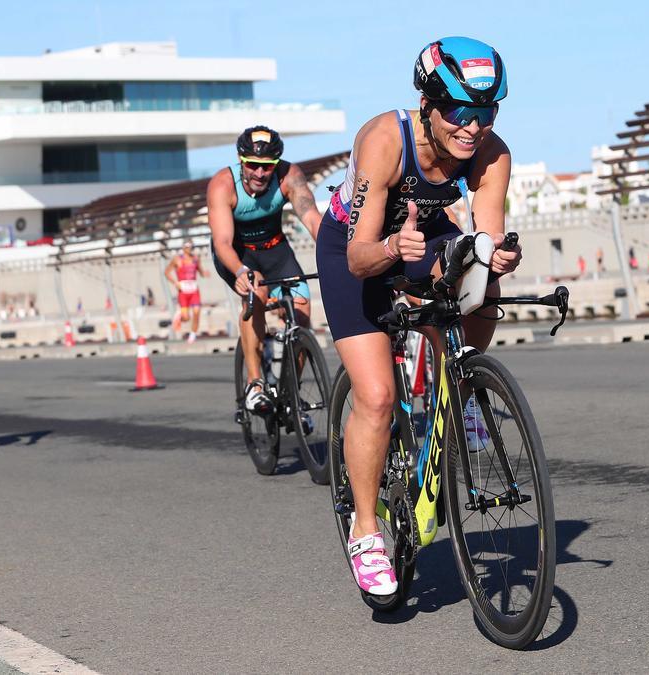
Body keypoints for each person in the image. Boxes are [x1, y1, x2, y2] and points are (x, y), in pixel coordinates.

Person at [315, 37, 521, 596]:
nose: (472, 127)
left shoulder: (491, 151)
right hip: (354, 251)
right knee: (377, 397)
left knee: (484, 277)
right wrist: (390, 252)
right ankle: (365, 532)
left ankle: (463, 386)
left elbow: (486, 233)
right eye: (459, 111)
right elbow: (361, 256)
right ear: (427, 105)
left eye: (485, 112)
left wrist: (499, 252)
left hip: (422, 239)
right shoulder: (385, 138)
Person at [207, 125, 323, 410]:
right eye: (253, 166)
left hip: (275, 250)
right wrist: (238, 271)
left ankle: (291, 397)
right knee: (256, 293)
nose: (259, 173)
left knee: (302, 309)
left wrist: (340, 254)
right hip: (238, 253)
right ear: (240, 160)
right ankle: (255, 382)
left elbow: (312, 219)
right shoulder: (223, 184)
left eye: (267, 167)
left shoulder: (289, 176)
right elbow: (222, 241)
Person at [165, 241, 209, 343]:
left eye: (191, 247)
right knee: (186, 317)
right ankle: (180, 316)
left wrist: (205, 273)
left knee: (197, 313)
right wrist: (175, 282)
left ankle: (193, 335)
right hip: (183, 292)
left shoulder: (196, 259)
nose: (189, 249)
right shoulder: (177, 259)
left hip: (194, 291)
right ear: (183, 248)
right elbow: (166, 272)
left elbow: (201, 272)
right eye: (187, 247)